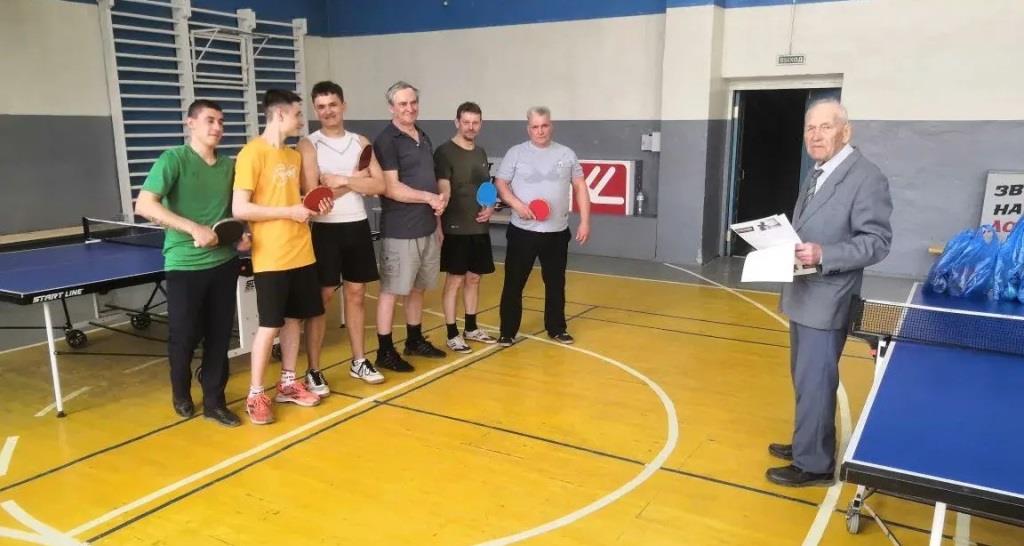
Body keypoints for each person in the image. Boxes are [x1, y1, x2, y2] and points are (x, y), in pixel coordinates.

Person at [766, 98, 893, 487]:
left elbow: (877, 242)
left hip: (828, 299)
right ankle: (807, 442)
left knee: (817, 382)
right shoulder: (818, 172)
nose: (815, 135)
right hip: (802, 294)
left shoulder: (866, 177)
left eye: (825, 127)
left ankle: (815, 466)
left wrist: (825, 254)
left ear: (845, 131)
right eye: (810, 128)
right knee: (805, 380)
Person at [135, 99, 246, 427]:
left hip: (224, 262)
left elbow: (234, 211)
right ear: (191, 123)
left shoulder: (228, 166)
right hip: (184, 264)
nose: (217, 127)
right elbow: (145, 204)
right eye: (210, 120)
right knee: (184, 336)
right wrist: (193, 227)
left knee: (219, 336)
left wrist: (242, 234)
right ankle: (181, 392)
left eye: (221, 122)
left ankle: (214, 401)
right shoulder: (173, 160)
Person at [232, 89, 332, 425]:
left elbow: (295, 201)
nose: (302, 120)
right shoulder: (251, 154)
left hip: (302, 252)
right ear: (279, 114)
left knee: (294, 320)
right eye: (297, 114)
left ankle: (288, 383)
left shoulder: (293, 156)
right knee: (269, 325)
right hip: (271, 256)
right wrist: (289, 211)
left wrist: (312, 206)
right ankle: (255, 393)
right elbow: (240, 208)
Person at [297, 81, 386, 390]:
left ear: (343, 105)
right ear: (315, 109)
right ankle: (313, 369)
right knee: (322, 298)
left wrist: (342, 180)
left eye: (332, 104)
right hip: (325, 230)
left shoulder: (360, 142)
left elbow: (379, 185)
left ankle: (359, 361)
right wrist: (356, 180)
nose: (327, 111)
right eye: (321, 107)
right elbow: (315, 198)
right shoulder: (309, 145)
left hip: (356, 225)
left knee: (357, 294)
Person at [494, 106, 591, 347]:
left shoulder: (567, 154)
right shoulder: (515, 153)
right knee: (514, 283)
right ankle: (507, 332)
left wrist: (585, 221)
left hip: (557, 234)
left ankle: (557, 328)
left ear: (551, 126)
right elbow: (501, 183)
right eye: (535, 127)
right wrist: (516, 204)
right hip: (522, 232)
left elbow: (580, 187)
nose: (540, 131)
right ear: (528, 129)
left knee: (556, 283)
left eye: (544, 125)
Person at [372, 81, 448, 371]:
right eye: (402, 103)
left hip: (427, 227)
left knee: (418, 288)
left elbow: (429, 180)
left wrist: (437, 221)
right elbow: (391, 188)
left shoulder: (422, 135)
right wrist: (429, 198)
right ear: (391, 107)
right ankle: (384, 351)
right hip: (400, 230)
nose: (409, 108)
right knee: (391, 290)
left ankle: (414, 340)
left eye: (413, 102)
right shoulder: (386, 141)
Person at [434, 101, 498, 353]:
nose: (470, 127)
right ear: (457, 122)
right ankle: (452, 333)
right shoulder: (444, 152)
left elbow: (486, 188)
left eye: (475, 122)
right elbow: (442, 189)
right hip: (455, 228)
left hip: (479, 228)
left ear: (480, 124)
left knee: (474, 278)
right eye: (466, 122)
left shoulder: (480, 152)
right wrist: (439, 223)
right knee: (455, 280)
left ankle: (471, 328)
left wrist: (490, 207)